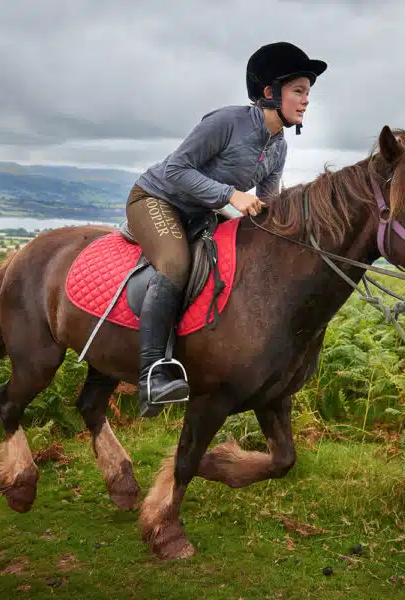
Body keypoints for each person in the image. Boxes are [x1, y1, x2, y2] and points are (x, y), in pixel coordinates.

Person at [126, 41, 327, 417]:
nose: (305, 101)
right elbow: (175, 170)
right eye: (298, 91)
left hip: (202, 211)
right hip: (156, 200)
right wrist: (231, 195)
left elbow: (267, 205)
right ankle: (152, 375)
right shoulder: (225, 122)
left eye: (308, 93)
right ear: (270, 93)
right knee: (174, 265)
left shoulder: (279, 146)